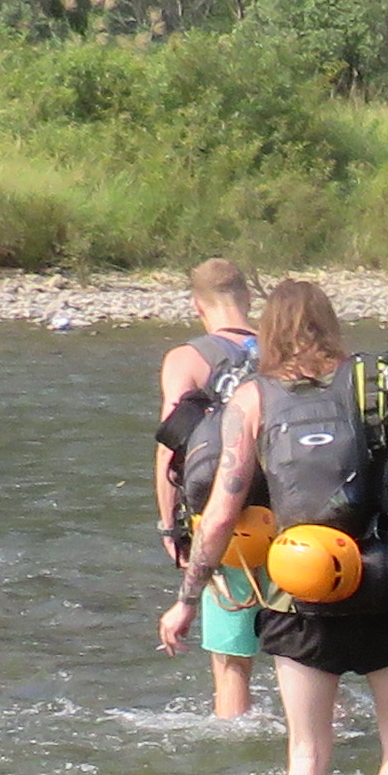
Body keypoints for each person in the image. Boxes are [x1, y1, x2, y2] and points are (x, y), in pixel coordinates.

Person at [155, 280, 388, 775]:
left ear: (269, 329)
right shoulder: (381, 380)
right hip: (385, 582)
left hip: (298, 588)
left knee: (306, 753)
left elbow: (221, 512)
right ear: (329, 322)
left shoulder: (252, 397)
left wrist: (187, 599)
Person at [152, 257, 265, 722]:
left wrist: (171, 528)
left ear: (197, 305)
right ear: (249, 299)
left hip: (230, 523)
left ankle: (235, 741)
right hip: (299, 514)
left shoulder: (187, 358)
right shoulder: (289, 348)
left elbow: (171, 447)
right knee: (309, 658)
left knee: (232, 665)